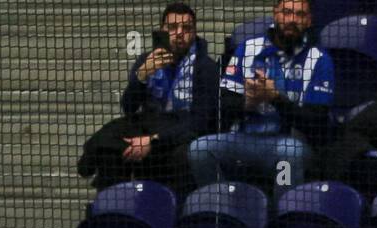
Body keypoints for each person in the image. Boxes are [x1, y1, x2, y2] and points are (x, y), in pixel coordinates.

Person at [186, 0, 333, 197]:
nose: (292, 20)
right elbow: (222, 105)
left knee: (290, 154)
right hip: (244, 139)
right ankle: (222, 207)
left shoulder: (319, 59)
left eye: (300, 15)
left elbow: (317, 122)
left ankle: (282, 214)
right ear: (275, 14)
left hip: (289, 142)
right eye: (287, 12)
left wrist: (275, 99)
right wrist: (248, 102)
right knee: (199, 149)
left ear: (308, 21)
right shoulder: (247, 49)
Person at [77, 3, 221, 194]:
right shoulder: (147, 61)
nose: (179, 33)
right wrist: (142, 76)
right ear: (162, 30)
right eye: (172, 28)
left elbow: (199, 122)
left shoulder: (206, 68)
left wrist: (152, 141)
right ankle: (113, 209)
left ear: (194, 33)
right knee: (112, 143)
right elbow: (129, 107)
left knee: (183, 154)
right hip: (149, 125)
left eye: (186, 28)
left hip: (180, 133)